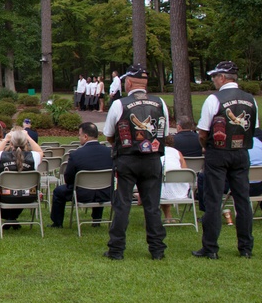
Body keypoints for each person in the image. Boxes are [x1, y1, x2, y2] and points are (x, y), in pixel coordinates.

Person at [102, 63, 169, 260]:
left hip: (127, 158)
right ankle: (157, 249)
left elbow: (109, 135)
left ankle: (116, 249)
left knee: (122, 204)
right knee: (152, 206)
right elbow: (163, 133)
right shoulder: (160, 103)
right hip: (152, 159)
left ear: (129, 82)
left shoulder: (119, 104)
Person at [194, 61, 258, 259]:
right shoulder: (250, 99)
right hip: (241, 151)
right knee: (242, 200)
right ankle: (246, 247)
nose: (213, 80)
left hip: (218, 151)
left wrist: (206, 145)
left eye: (215, 77)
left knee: (213, 199)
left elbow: (203, 131)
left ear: (222, 77)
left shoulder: (214, 99)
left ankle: (211, 247)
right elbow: (253, 128)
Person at [50, 122, 113, 227]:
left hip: (82, 194)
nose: (79, 137)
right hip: (105, 193)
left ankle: (57, 222)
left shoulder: (76, 154)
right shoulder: (109, 152)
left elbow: (68, 178)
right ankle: (96, 220)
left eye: (79, 135)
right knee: (98, 183)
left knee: (58, 191)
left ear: (85, 136)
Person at [0, 127, 43, 227]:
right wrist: (28, 137)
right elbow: (40, 152)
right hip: (28, 196)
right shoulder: (34, 156)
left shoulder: (1, 156)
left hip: (5, 196)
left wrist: (6, 139)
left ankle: (10, 218)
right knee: (19, 188)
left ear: (11, 144)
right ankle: (12, 218)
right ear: (26, 143)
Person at [159, 135, 189, 224]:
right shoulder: (177, 153)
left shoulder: (158, 153)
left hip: (161, 189)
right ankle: (168, 216)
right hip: (180, 190)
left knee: (162, 183)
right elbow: (185, 171)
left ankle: (167, 216)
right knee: (166, 183)